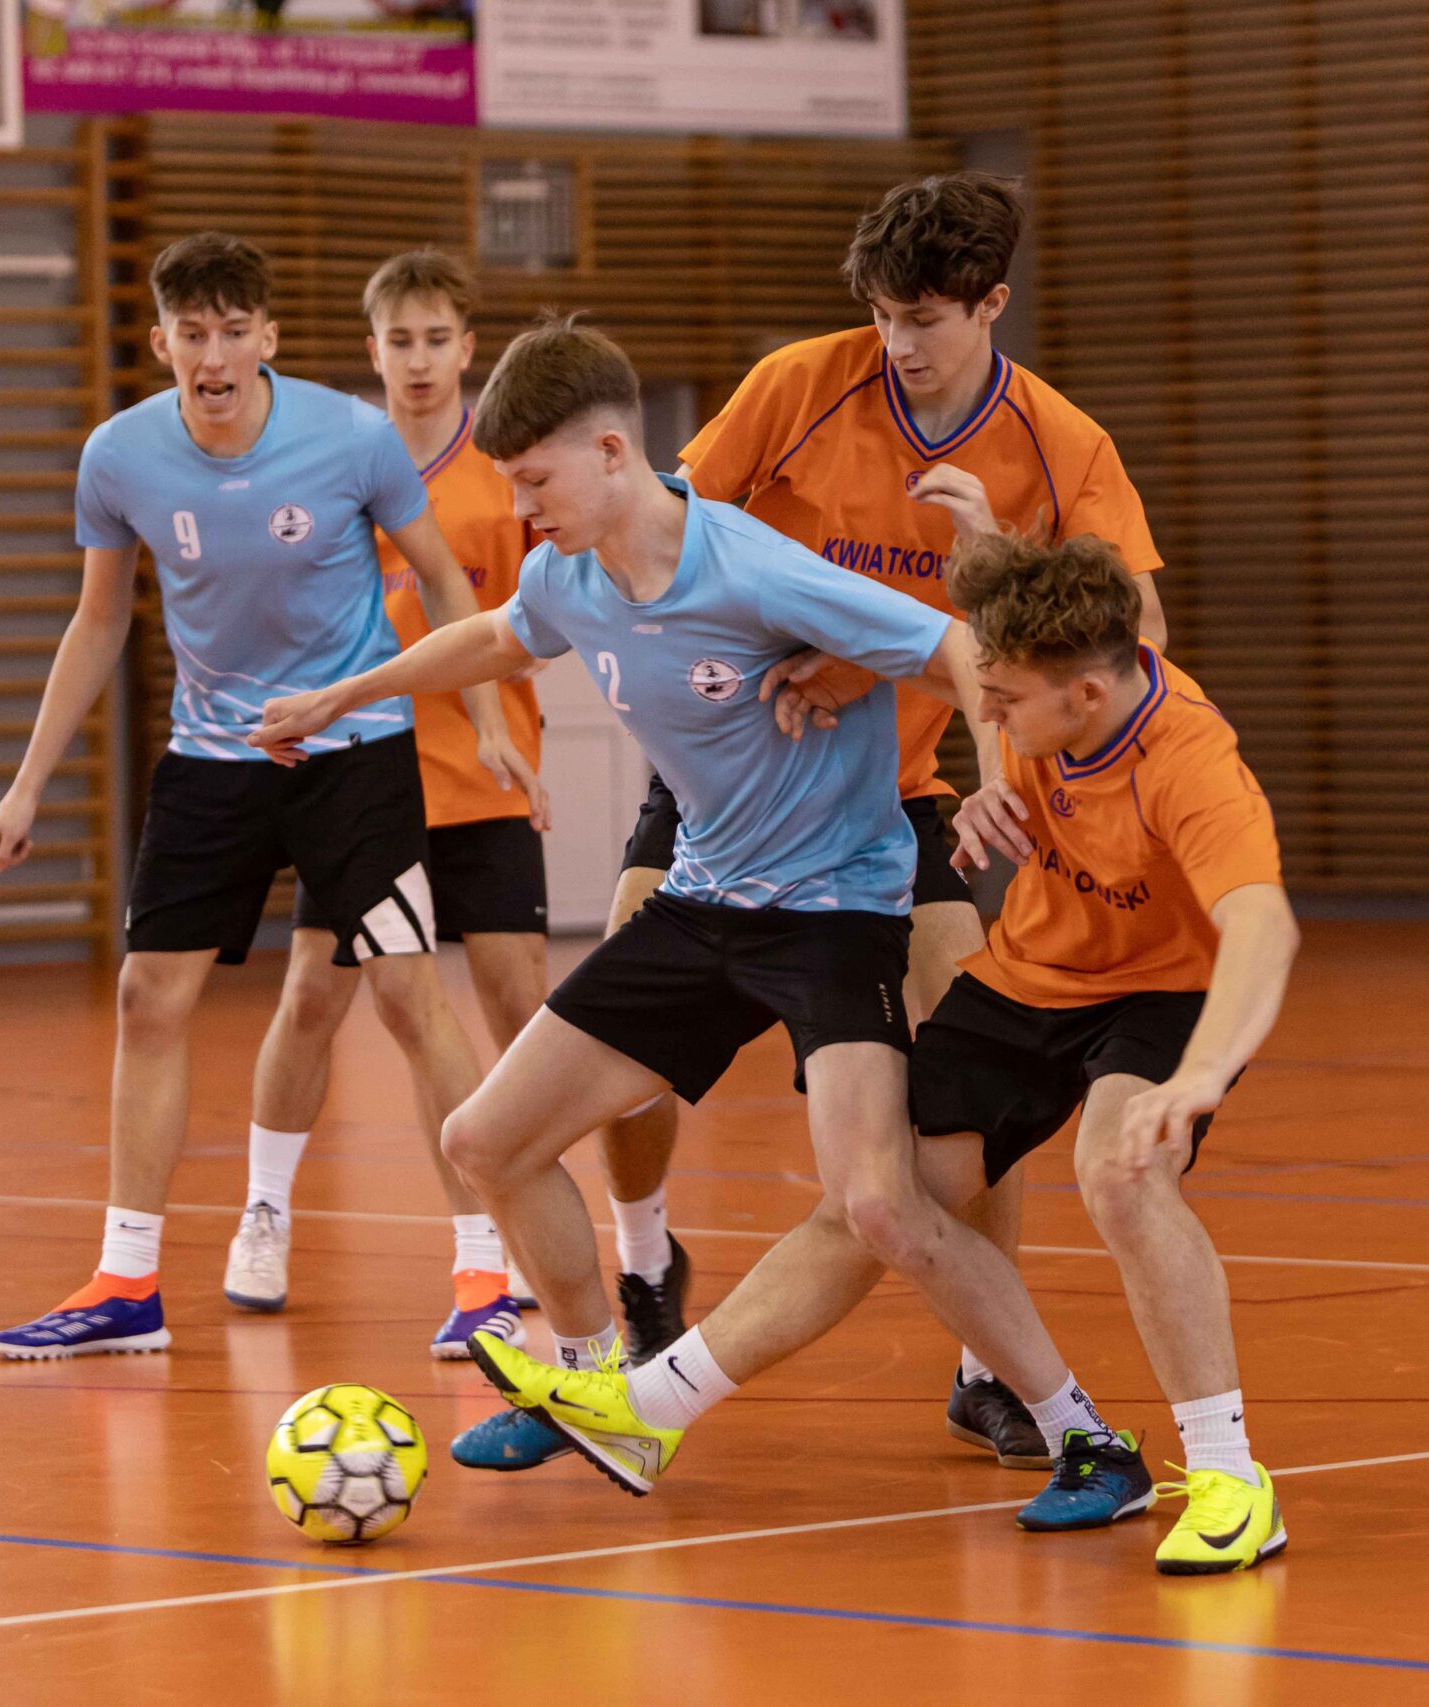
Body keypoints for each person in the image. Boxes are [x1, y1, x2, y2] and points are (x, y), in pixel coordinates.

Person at [252, 316, 1129, 1501]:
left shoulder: (755, 567)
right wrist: (341, 697)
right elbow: (498, 638)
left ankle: (1082, 1433)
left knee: (881, 1204)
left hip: (832, 912)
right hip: (700, 901)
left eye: (535, 481)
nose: (520, 508)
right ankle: (588, 1384)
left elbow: (959, 650)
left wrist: (995, 782)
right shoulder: (567, 574)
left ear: (612, 454)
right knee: (483, 1141)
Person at [600, 169, 1173, 1469]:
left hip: (893, 802)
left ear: (991, 304)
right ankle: (641, 1262)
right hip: (727, 780)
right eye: (881, 314)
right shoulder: (799, 385)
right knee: (611, 1054)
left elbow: (1134, 639)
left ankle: (990, 1370)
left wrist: (974, 589)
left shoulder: (1059, 446)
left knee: (967, 1088)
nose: (898, 343)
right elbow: (671, 539)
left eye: (924, 318)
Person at [0, 234, 539, 1360]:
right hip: (213, 758)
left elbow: (442, 577)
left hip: (355, 754)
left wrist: (482, 721)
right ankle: (127, 1282)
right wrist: (26, 784)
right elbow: (99, 619)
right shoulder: (119, 456)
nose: (215, 356)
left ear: (268, 338)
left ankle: (485, 1273)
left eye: (235, 332)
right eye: (193, 334)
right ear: (162, 342)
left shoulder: (351, 438)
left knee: (406, 998)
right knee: (147, 997)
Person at [906, 529, 1297, 1574]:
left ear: (1085, 695)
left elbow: (1262, 924)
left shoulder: (1188, 758)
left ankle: (1230, 1477)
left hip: (1169, 988)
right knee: (888, 1193)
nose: (987, 717)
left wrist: (1202, 1073)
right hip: (1034, 970)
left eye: (1002, 700)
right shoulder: (1046, 707)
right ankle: (1077, 1434)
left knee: (1119, 1171)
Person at [251, 247, 553, 1358]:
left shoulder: (506, 475)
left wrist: (507, 707)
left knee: (518, 1002)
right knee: (313, 998)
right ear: (370, 350)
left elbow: (552, 610)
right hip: (362, 778)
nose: (418, 360)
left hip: (485, 775)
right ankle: (264, 1213)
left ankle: (512, 1230)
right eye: (399, 341)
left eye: (437, 340)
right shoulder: (335, 468)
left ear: (467, 348)